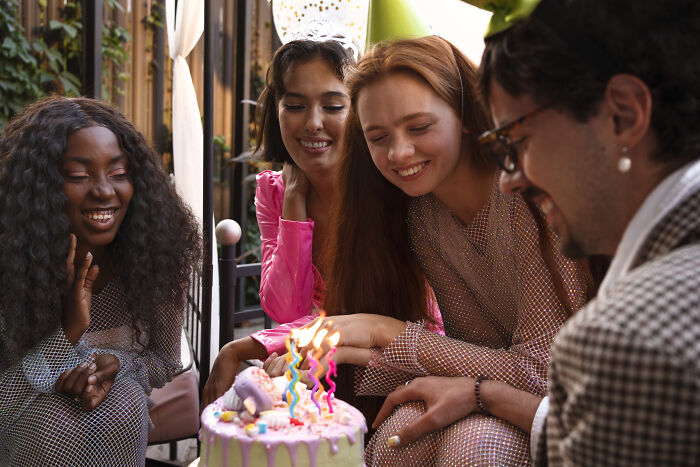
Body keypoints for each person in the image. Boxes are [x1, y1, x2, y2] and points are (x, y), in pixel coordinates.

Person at [377, 0, 700, 465]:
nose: (510, 178)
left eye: (519, 141)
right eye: (377, 136)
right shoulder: (425, 221)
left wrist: (393, 337)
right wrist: (485, 394)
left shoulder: (629, 340)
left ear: (624, 116)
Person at [301, 35, 598, 465]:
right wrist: (352, 344)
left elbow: (540, 372)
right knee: (394, 441)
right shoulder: (424, 217)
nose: (399, 152)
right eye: (378, 136)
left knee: (473, 448)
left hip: (584, 407)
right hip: (496, 391)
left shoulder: (525, 193)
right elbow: (476, 353)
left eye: (419, 127)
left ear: (463, 113)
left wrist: (385, 333)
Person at [0, 96, 201, 467]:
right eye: (79, 176)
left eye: (119, 173)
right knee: (53, 419)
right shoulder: (8, 267)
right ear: (38, 188)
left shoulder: (156, 255)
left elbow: (162, 362)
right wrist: (68, 333)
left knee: (124, 400)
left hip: (116, 433)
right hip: (25, 441)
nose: (104, 191)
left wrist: (110, 367)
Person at [201, 39, 356, 408]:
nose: (314, 123)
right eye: (296, 105)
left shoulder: (382, 190)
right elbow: (287, 306)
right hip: (305, 372)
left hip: (378, 370)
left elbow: (380, 320)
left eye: (333, 106)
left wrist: (243, 346)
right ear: (276, 110)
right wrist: (293, 202)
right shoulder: (274, 192)